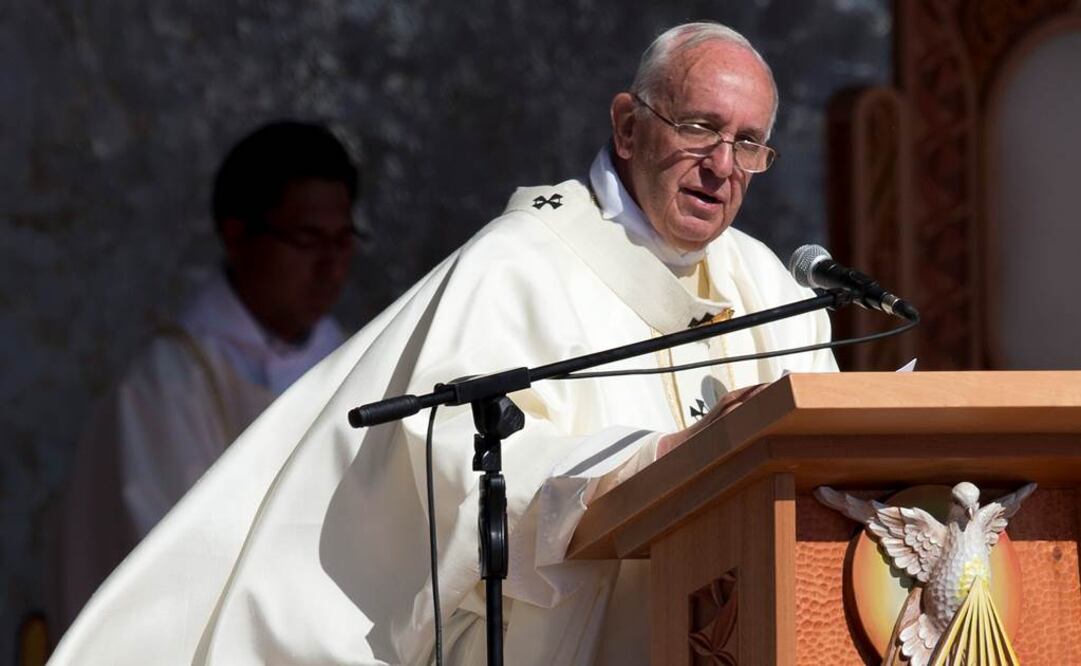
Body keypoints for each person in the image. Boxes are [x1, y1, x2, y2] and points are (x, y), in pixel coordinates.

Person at [49, 22, 836, 665]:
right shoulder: (517, 264)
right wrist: (648, 462)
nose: (722, 167)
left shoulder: (768, 286)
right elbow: (452, 469)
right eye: (698, 128)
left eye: (749, 144)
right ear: (628, 126)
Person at [56, 121, 361, 628]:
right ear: (237, 234)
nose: (331, 267)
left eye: (344, 240)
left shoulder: (357, 361)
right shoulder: (168, 387)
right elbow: (170, 575)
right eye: (308, 239)